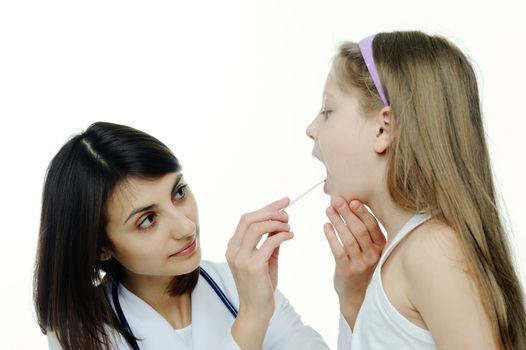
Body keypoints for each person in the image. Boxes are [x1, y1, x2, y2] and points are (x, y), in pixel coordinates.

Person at [306, 31, 526, 349]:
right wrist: (355, 302)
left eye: (327, 111)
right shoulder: (409, 253)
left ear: (384, 129)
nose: (311, 129)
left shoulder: (431, 251)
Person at [33, 121, 330, 350]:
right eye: (148, 220)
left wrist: (353, 296)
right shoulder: (80, 334)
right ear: (101, 248)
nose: (187, 227)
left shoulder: (241, 284)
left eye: (178, 192)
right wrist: (252, 318)